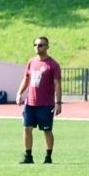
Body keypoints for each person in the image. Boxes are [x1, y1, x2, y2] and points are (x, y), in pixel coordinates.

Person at [15, 35, 61, 164]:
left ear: (47, 47)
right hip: (30, 103)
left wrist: (58, 103)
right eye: (35, 45)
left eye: (40, 45)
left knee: (47, 130)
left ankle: (48, 157)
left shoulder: (53, 64)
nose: (37, 47)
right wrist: (19, 93)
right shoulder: (31, 62)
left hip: (46, 104)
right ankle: (28, 156)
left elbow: (57, 84)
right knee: (27, 128)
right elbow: (26, 78)